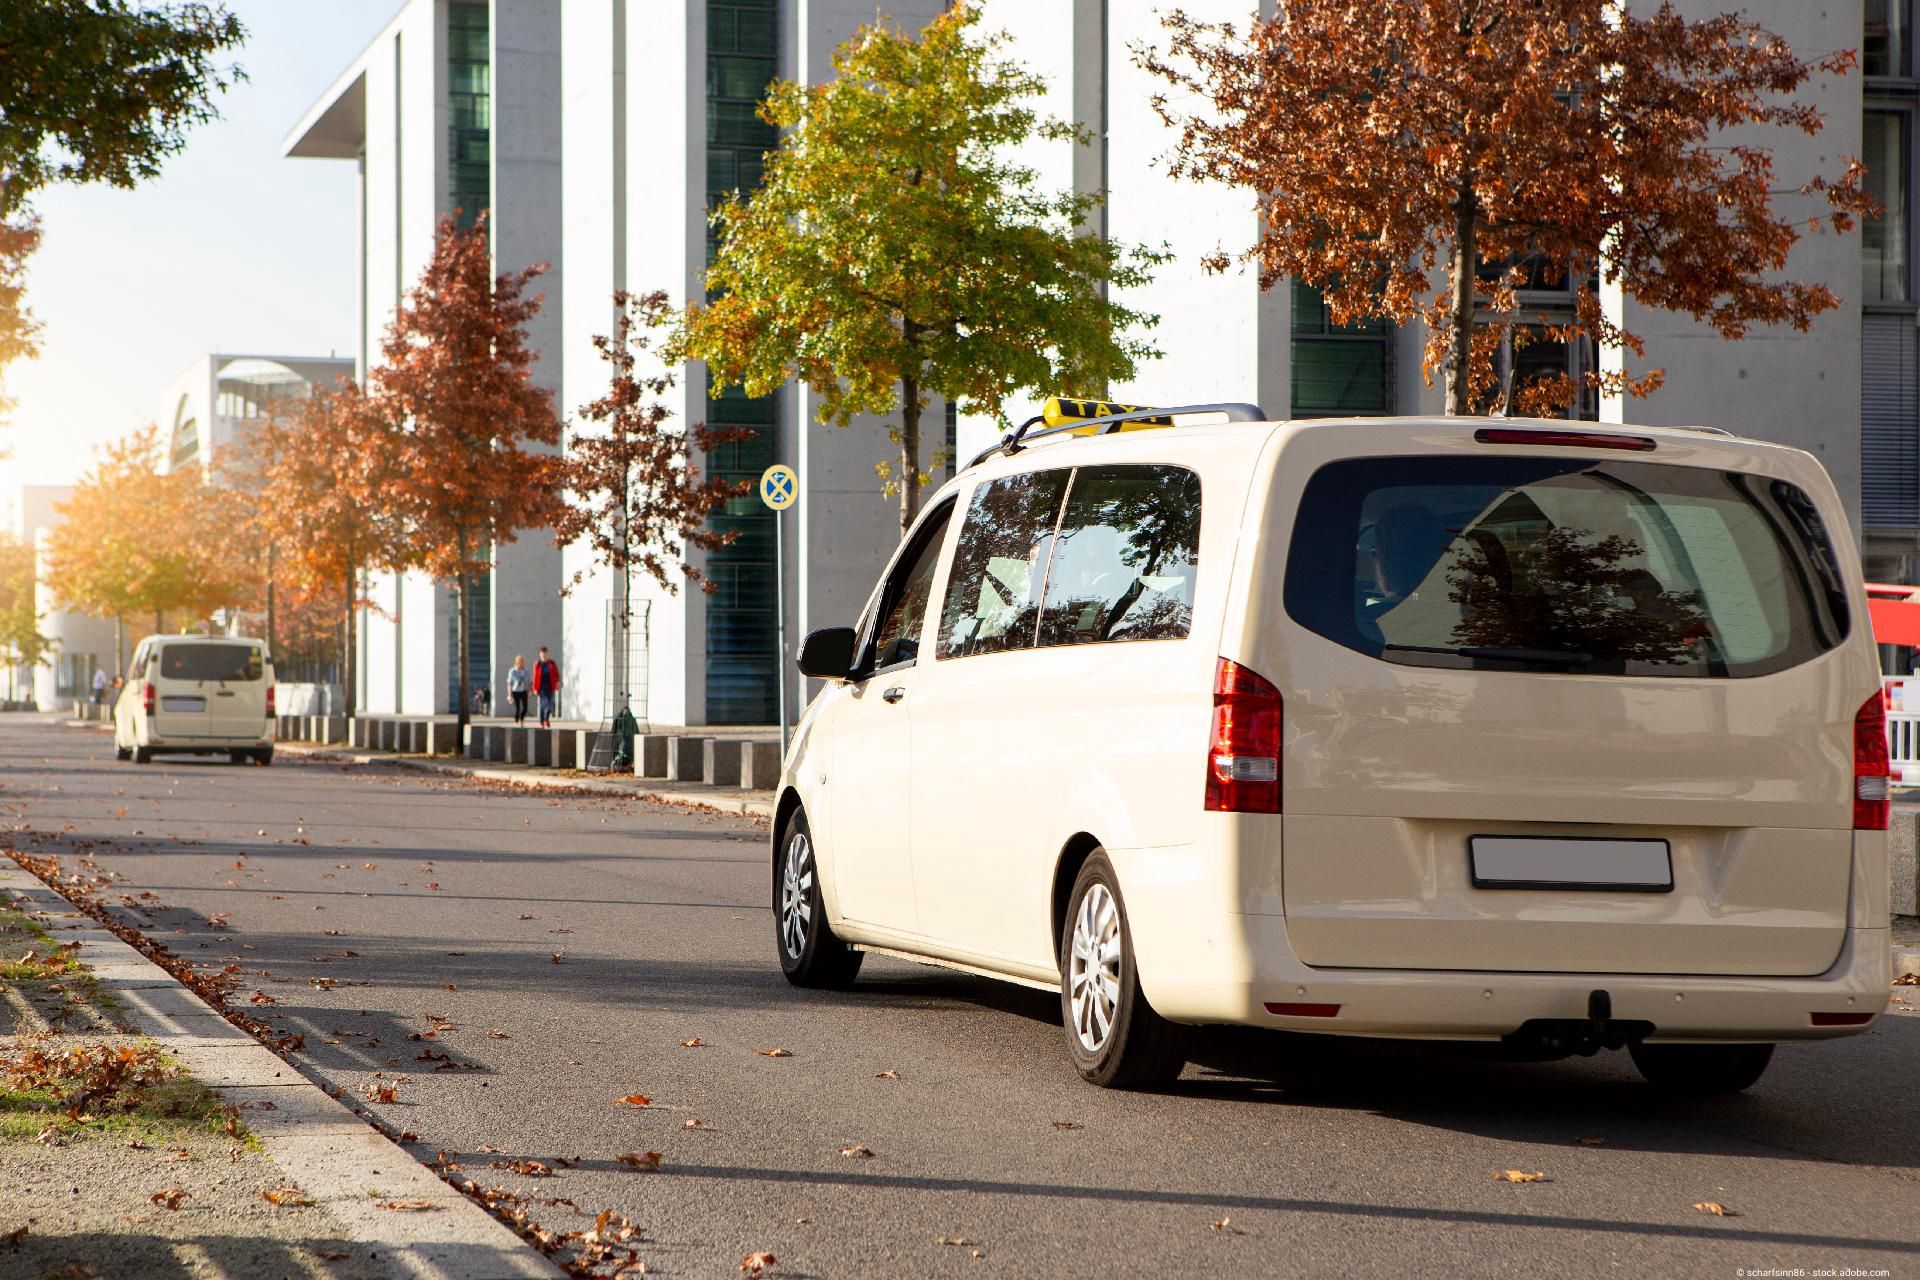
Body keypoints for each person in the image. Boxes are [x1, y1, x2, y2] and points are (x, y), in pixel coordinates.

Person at [532, 646, 561, 728]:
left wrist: (557, 682)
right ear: (540, 655)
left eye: (546, 655)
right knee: (543, 704)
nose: (544, 656)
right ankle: (542, 721)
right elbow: (535, 677)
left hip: (550, 686)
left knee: (550, 704)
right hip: (541, 687)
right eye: (543, 655)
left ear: (548, 654)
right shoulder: (537, 664)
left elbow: (556, 674)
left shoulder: (552, 663)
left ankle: (546, 719)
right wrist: (534, 688)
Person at [507, 655, 531, 724]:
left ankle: (522, 718)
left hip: (524, 690)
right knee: (517, 708)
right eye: (520, 661)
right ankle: (517, 719)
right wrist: (509, 694)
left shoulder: (526, 671)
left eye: (523, 661)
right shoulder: (512, 671)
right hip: (515, 691)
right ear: (517, 662)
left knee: (525, 708)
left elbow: (529, 682)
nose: (522, 663)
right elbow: (509, 683)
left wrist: (529, 691)